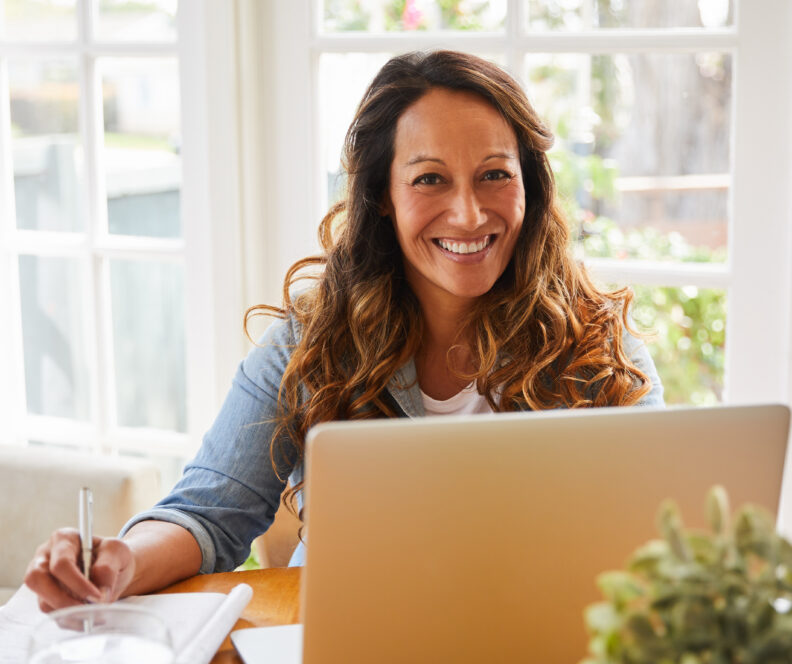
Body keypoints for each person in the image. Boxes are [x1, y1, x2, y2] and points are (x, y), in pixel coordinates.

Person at [25, 50, 663, 612]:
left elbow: (659, 545)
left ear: (530, 185)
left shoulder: (597, 347)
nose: (469, 213)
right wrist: (122, 561)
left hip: (539, 648)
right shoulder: (308, 344)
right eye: (429, 179)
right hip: (341, 648)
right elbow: (205, 516)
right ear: (383, 195)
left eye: (495, 173)